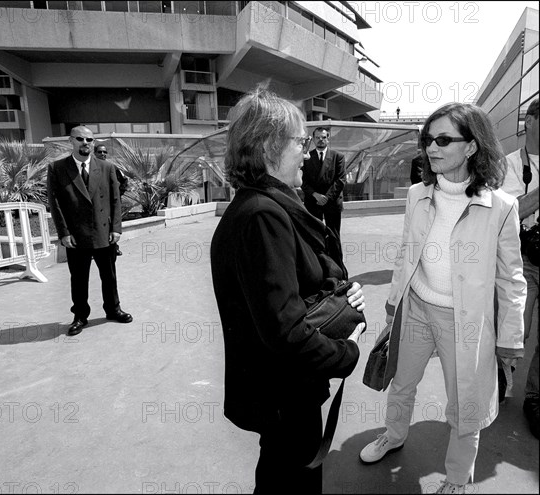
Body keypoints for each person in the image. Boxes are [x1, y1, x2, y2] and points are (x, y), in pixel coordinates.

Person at [358, 103, 526, 494]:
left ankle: (456, 479)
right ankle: (394, 435)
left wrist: (509, 338)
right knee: (401, 383)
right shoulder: (417, 194)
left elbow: (511, 279)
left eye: (444, 139)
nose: (432, 148)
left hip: (464, 322)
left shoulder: (501, 207)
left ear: (471, 147)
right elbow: (406, 251)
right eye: (428, 139)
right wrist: (393, 301)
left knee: (465, 404)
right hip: (416, 307)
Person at [210, 88, 366, 493]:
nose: (306, 151)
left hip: (279, 391)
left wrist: (340, 299)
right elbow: (286, 331)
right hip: (284, 394)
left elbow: (290, 291)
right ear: (269, 147)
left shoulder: (258, 207)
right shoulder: (264, 216)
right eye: (299, 142)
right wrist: (346, 350)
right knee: (291, 478)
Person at [47, 126, 133, 336]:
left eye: (89, 139)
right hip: (76, 236)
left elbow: (115, 200)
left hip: (104, 232)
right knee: (78, 278)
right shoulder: (57, 168)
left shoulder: (107, 167)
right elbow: (55, 203)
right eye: (80, 139)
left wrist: (116, 228)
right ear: (71, 141)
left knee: (109, 276)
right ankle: (80, 316)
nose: (85, 142)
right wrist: (64, 233)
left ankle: (113, 310)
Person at [502, 97, 539, 439]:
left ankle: (534, 397)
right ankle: (500, 375)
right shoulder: (511, 164)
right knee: (518, 328)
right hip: (526, 257)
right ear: (530, 122)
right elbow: (509, 213)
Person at [301, 127, 346, 236]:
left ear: (328, 139)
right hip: (313, 201)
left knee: (334, 236)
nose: (320, 139)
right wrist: (315, 195)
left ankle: (334, 254)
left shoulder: (338, 157)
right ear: (313, 139)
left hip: (332, 202)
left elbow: (340, 180)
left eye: (323, 137)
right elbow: (302, 180)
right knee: (314, 235)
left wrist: (326, 198)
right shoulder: (306, 157)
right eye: (317, 137)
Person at [95, 144, 127, 256]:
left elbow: (124, 180)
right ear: (94, 153)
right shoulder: (89, 168)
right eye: (100, 152)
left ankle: (114, 248)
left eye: (104, 152)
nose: (102, 154)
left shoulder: (111, 167)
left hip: (110, 203)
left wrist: (118, 194)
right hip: (96, 204)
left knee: (112, 225)